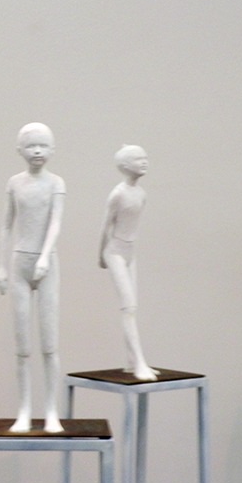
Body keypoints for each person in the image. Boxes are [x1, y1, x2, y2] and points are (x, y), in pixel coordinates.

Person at [0, 122, 65, 433]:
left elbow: (56, 223)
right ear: (20, 150)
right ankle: (24, 410)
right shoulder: (15, 183)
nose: (37, 151)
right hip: (20, 265)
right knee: (22, 347)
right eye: (31, 146)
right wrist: (1, 266)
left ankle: (51, 410)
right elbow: (6, 226)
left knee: (49, 345)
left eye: (43, 145)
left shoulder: (56, 183)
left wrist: (45, 256)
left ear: (53, 149)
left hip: (46, 266)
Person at [99, 144, 158, 381]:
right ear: (124, 166)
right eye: (138, 159)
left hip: (130, 252)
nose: (144, 162)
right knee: (129, 307)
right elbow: (106, 226)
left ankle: (131, 362)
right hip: (114, 252)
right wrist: (100, 255)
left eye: (145, 158)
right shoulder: (118, 194)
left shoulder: (141, 194)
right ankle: (140, 362)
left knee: (133, 306)